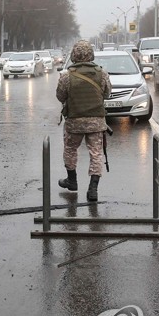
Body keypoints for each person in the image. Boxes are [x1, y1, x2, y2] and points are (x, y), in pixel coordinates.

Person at [56, 40, 111, 201]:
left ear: (74, 55)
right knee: (96, 154)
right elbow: (107, 94)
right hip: (96, 122)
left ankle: (72, 181)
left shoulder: (67, 76)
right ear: (91, 55)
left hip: (74, 122)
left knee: (70, 149)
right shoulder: (102, 74)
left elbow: (60, 96)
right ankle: (93, 189)